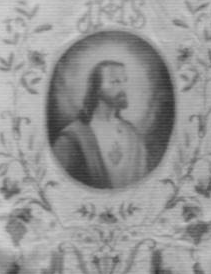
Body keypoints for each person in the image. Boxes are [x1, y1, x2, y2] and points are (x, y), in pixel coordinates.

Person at [52, 60, 149, 189]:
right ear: (96, 88)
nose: (123, 88)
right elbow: (57, 185)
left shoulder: (132, 134)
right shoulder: (72, 138)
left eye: (124, 81)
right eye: (115, 82)